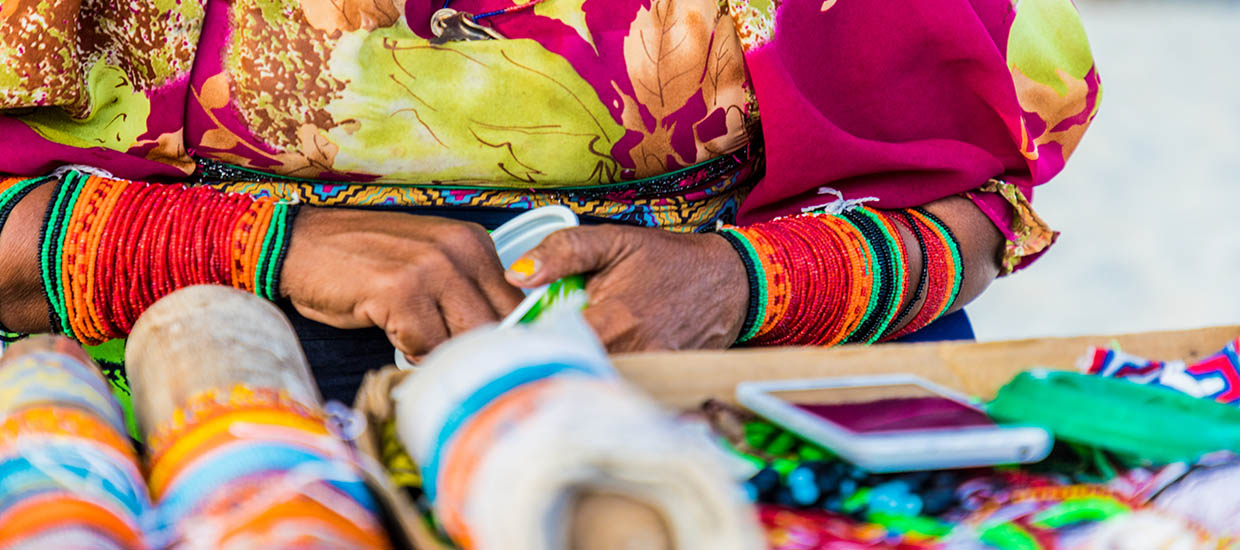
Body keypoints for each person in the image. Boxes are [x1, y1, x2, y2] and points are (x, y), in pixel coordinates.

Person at [0, 0, 1099, 402]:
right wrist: (263, 245)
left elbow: (971, 208)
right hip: (183, 401)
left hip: (695, 390)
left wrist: (742, 281)